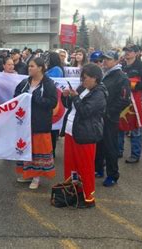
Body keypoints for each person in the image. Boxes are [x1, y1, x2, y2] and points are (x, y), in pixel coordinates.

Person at [61, 63, 107, 207]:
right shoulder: (83, 88)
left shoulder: (99, 93)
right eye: (82, 78)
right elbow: (71, 107)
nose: (83, 81)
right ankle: (74, 191)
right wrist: (66, 97)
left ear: (95, 78)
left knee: (85, 166)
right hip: (71, 131)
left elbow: (85, 111)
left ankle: (88, 198)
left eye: (85, 78)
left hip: (85, 134)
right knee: (71, 165)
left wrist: (75, 98)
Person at [14, 57, 57, 189]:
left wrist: (35, 98)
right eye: (29, 66)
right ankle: (27, 174)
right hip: (25, 122)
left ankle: (36, 177)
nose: (29, 68)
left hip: (40, 123)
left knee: (38, 149)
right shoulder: (25, 82)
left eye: (32, 66)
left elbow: (52, 102)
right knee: (26, 147)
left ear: (40, 68)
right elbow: (16, 96)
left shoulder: (48, 84)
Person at [95, 51, 131, 186]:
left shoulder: (121, 77)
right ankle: (99, 168)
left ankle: (113, 175)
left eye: (108, 59)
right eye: (104, 59)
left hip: (110, 117)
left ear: (116, 61)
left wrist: (110, 112)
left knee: (110, 146)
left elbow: (125, 100)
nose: (104, 62)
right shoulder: (103, 74)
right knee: (99, 143)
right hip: (99, 116)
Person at [118, 44, 142, 164]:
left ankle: (135, 154)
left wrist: (132, 85)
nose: (127, 53)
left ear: (136, 53)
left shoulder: (141, 66)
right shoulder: (121, 65)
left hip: (135, 102)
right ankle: (119, 150)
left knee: (136, 128)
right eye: (125, 50)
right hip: (122, 101)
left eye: (130, 51)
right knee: (119, 126)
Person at [46, 52, 64, 158]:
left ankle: (51, 151)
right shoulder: (53, 68)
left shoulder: (57, 69)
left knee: (52, 128)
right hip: (50, 98)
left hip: (53, 98)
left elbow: (50, 80)